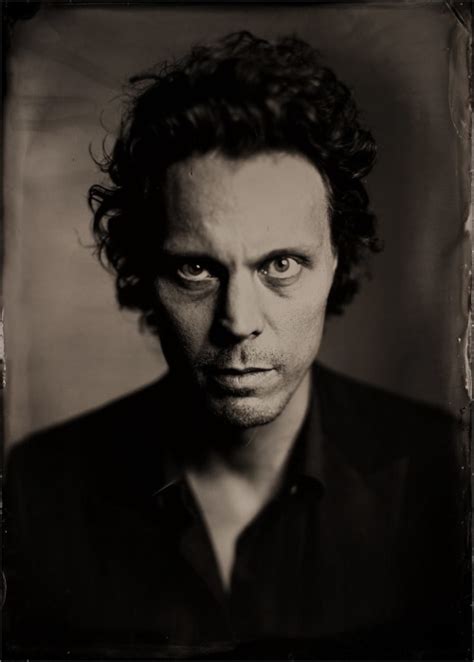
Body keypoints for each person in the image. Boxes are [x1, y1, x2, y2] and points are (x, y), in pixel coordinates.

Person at [4, 31, 469, 659]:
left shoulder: (446, 477)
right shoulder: (38, 491)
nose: (238, 321)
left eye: (280, 264)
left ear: (337, 261)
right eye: (196, 269)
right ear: (144, 274)